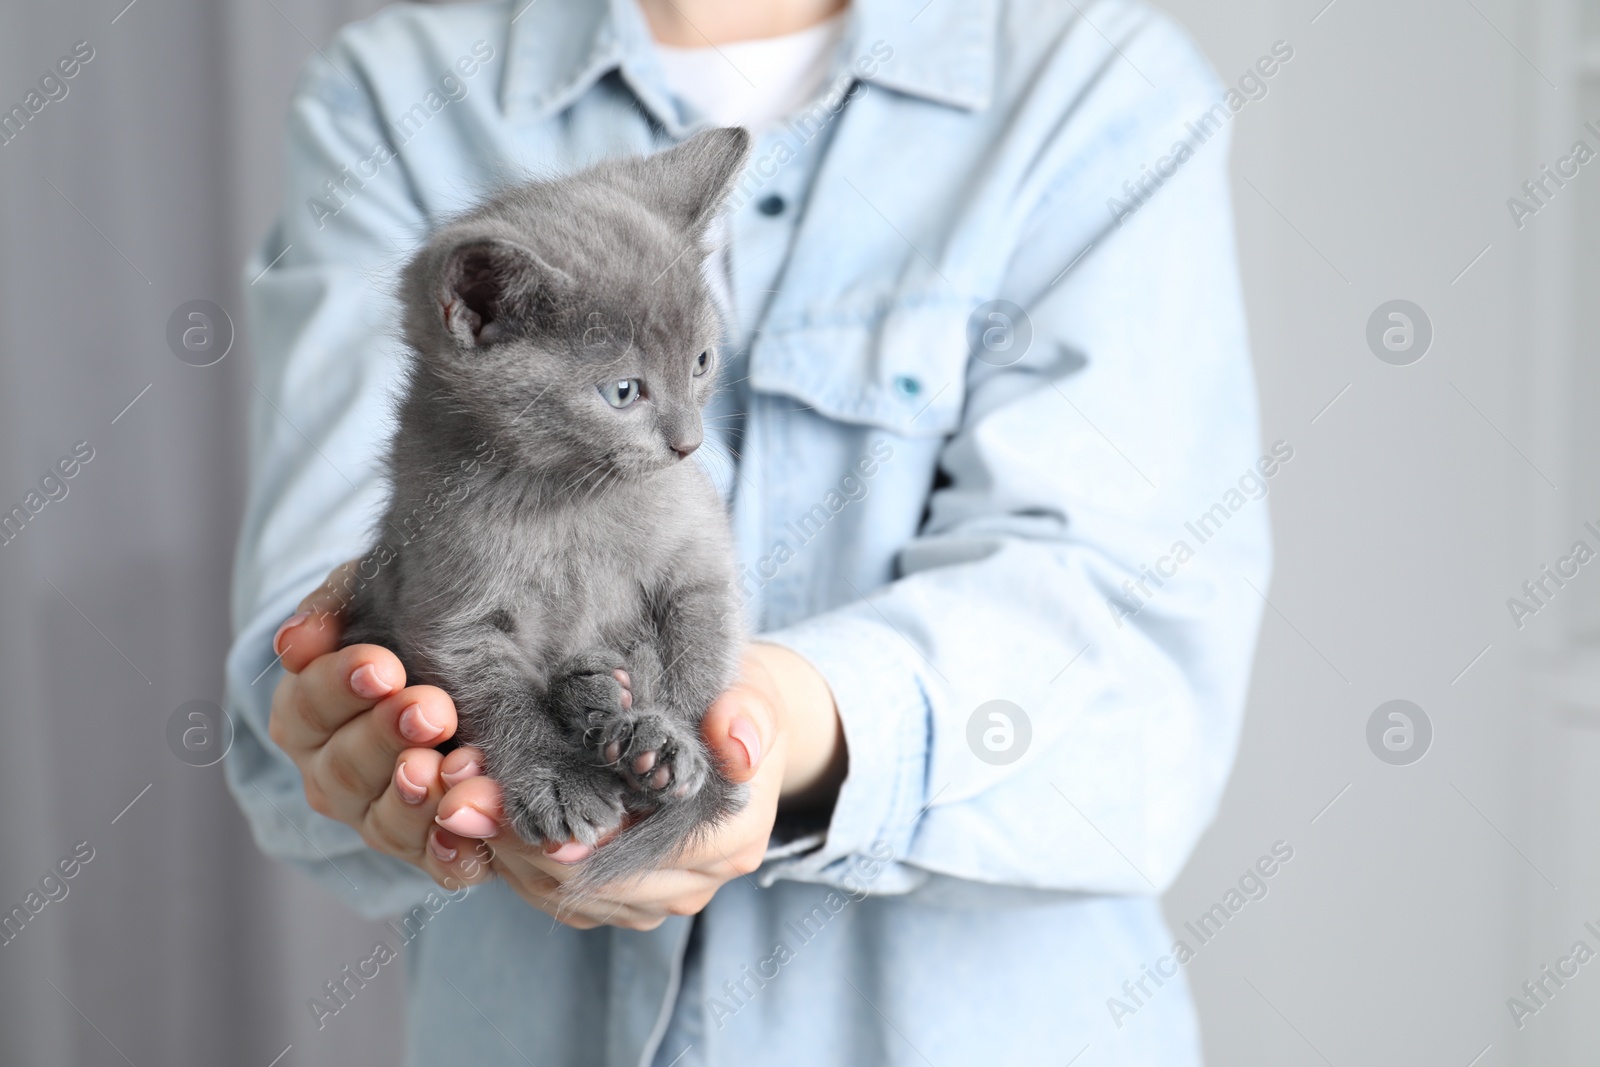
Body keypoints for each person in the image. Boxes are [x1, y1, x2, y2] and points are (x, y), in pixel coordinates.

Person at [224, 0, 1271, 1063]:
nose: (691, 442)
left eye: (697, 374)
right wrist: (380, 732)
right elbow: (286, 692)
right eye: (637, 391)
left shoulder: (1089, 81)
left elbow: (1137, 672)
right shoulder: (399, 91)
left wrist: (772, 722)